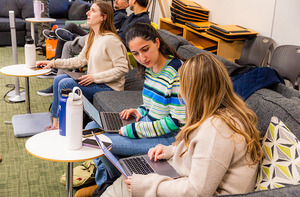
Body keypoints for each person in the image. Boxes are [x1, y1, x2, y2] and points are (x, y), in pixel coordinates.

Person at [100, 53, 264, 197]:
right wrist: (171, 151)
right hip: (180, 176)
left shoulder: (217, 129)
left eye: (182, 86)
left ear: (194, 91)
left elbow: (197, 191)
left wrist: (146, 185)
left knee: (124, 184)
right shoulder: (220, 115)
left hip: (188, 187)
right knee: (126, 178)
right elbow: (201, 155)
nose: (180, 93)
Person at [75, 22, 186, 196]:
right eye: (135, 53)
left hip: (167, 138)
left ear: (157, 43)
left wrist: (134, 129)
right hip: (148, 126)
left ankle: (106, 184)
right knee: (90, 130)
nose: (142, 58)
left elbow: (177, 121)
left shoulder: (176, 72)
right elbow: (153, 104)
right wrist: (139, 111)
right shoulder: (150, 67)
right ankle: (108, 182)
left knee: (99, 142)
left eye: (145, 49)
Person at [37, 1, 130, 131]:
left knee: (64, 84)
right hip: (95, 81)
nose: (87, 13)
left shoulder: (111, 40)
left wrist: (94, 78)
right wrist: (54, 62)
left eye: (92, 11)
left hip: (109, 87)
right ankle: (56, 122)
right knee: (59, 79)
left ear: (103, 17)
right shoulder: (92, 36)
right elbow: (80, 60)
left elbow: (122, 68)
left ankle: (58, 125)